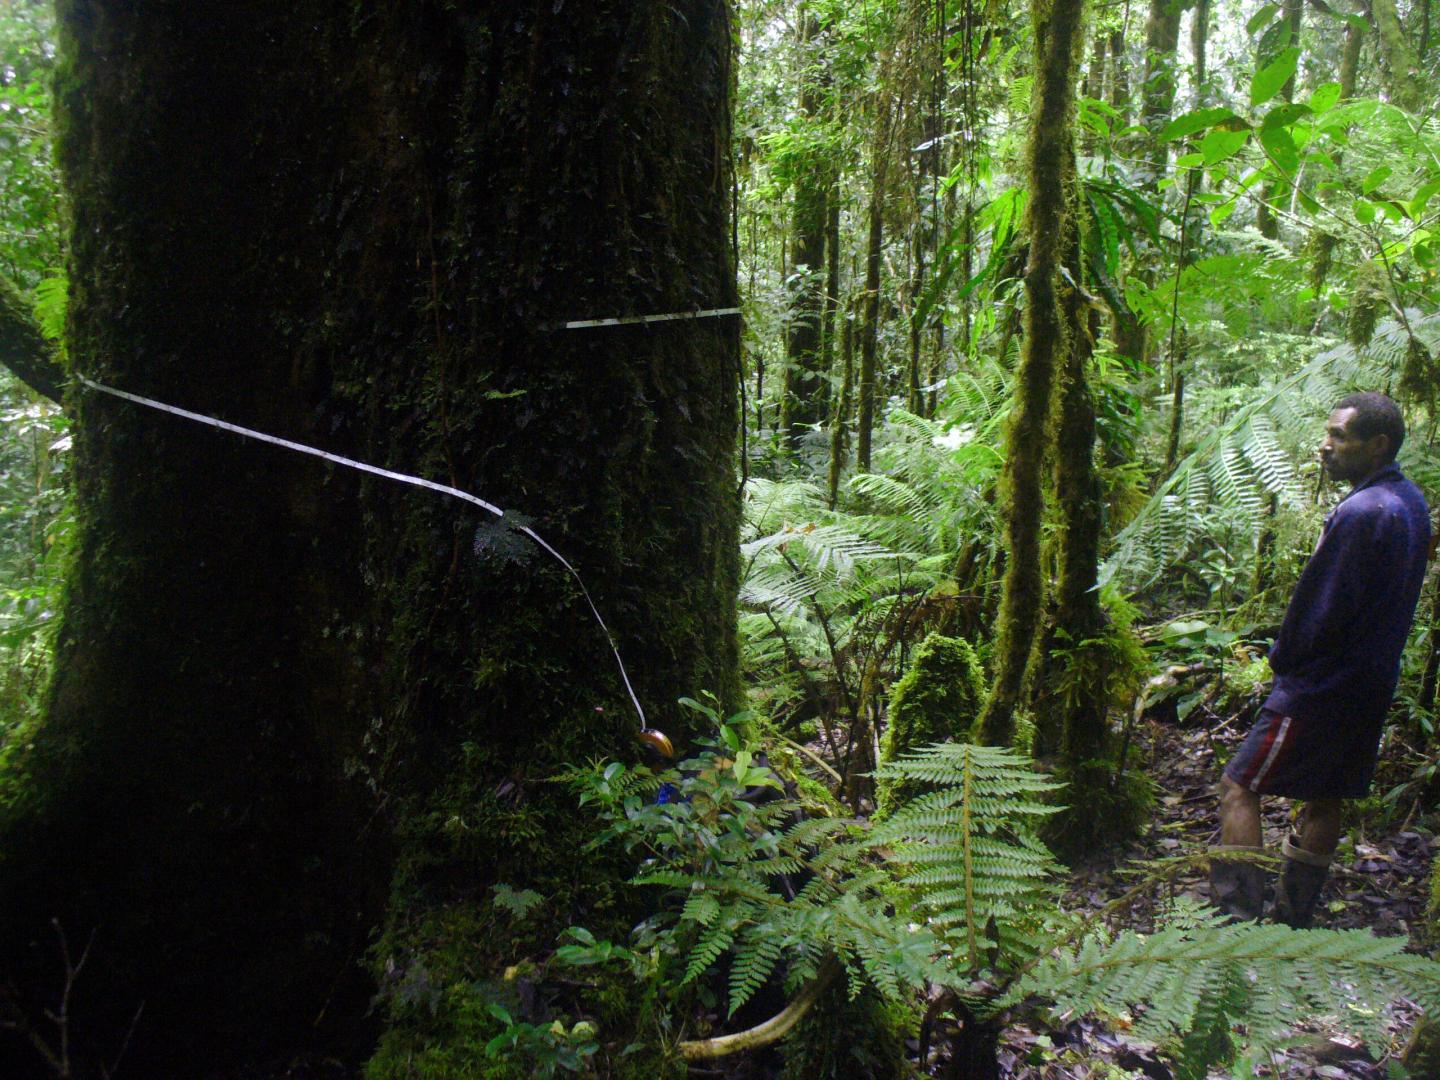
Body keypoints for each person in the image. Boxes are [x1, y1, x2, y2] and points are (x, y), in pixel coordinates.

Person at [1212, 392, 1431, 926]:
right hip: (1371, 681)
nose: (1324, 446)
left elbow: (1321, 607)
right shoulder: (1411, 503)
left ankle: (1235, 921)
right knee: (1325, 797)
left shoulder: (1360, 513)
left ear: (1377, 445)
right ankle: (1294, 919)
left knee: (1238, 787)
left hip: (1322, 684)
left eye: (1338, 436)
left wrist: (1284, 662)